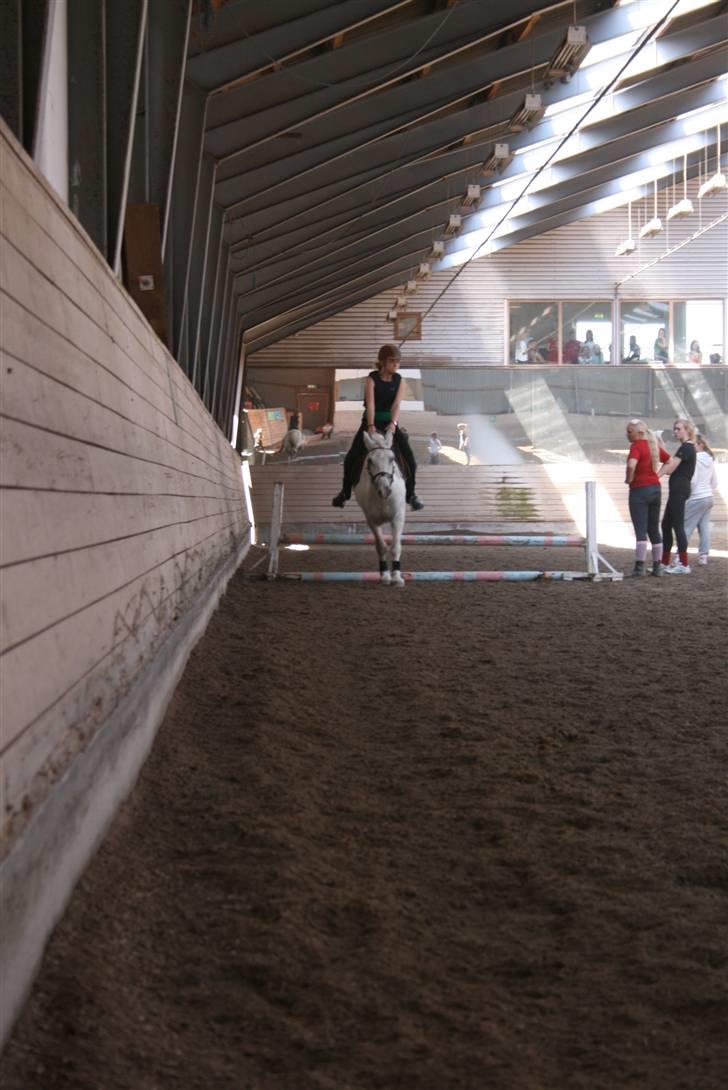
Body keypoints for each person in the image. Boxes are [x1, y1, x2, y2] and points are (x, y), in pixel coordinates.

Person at [332, 344, 423, 510]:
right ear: (382, 362)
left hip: (390, 424)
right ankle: (344, 494)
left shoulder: (399, 380)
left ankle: (411, 495)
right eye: (392, 361)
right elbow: (371, 404)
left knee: (410, 459)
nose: (396, 365)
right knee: (351, 458)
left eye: (398, 362)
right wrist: (371, 425)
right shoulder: (371, 379)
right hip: (370, 422)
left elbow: (396, 405)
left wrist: (394, 424)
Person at [624, 419, 671, 577]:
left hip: (639, 490)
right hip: (655, 489)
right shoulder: (653, 447)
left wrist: (629, 479)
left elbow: (631, 464)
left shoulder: (636, 446)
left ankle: (639, 567)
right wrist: (657, 476)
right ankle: (658, 566)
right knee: (653, 529)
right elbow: (669, 461)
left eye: (630, 432)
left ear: (639, 433)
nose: (627, 435)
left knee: (640, 530)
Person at [657, 418, 697, 574]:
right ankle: (665, 562)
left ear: (687, 430)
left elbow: (670, 468)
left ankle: (684, 564)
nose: (676, 431)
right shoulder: (685, 447)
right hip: (677, 490)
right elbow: (671, 465)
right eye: (675, 429)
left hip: (680, 490)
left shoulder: (686, 447)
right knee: (666, 525)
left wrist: (661, 450)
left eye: (679, 429)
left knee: (677, 526)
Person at [683, 432, 718, 566]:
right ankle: (703, 556)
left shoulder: (695, 459)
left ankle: (680, 557)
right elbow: (714, 482)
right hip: (708, 497)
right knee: (704, 528)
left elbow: (693, 479)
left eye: (693, 444)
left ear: (700, 445)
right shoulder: (709, 459)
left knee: (686, 528)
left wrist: (688, 493)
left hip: (696, 497)